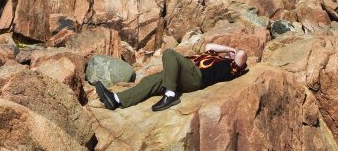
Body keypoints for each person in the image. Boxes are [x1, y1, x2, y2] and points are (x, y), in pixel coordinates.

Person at [93, 43, 247, 112]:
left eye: (233, 53)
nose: (233, 53)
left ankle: (170, 95)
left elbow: (241, 55)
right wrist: (229, 48)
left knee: (169, 53)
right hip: (183, 75)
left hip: (196, 76)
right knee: (150, 80)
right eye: (231, 52)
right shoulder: (213, 55)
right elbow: (209, 46)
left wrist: (234, 52)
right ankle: (116, 99)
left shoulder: (231, 67)